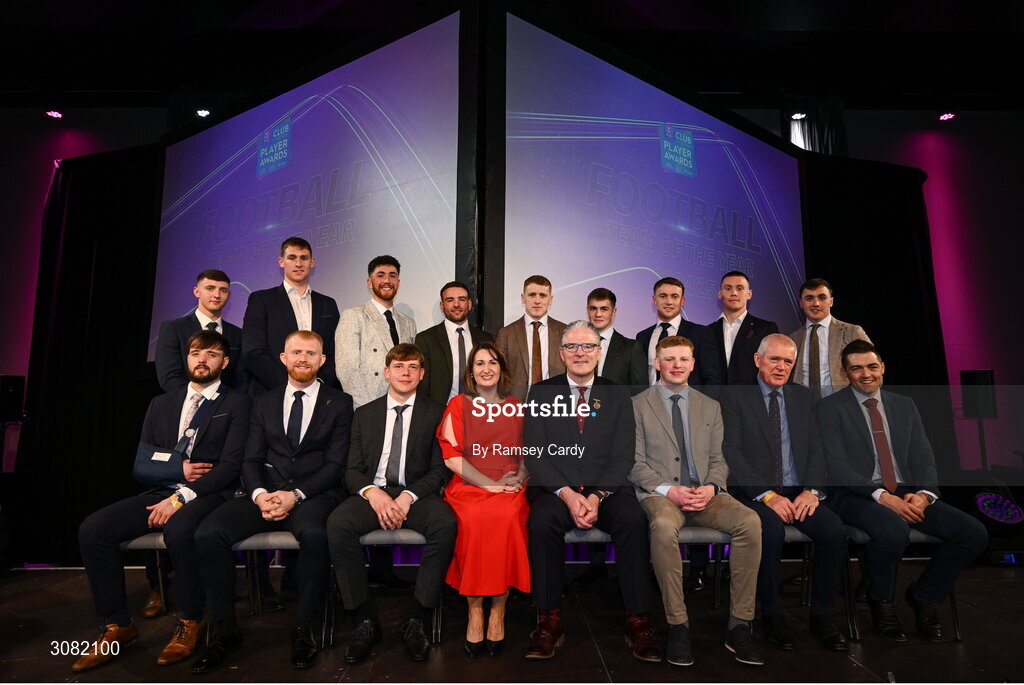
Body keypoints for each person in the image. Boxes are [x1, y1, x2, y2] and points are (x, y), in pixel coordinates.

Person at [72, 330, 250, 672]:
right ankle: (118, 624)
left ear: (224, 363)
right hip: (160, 491)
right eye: (197, 353)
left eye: (212, 354)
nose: (203, 359)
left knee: (180, 530)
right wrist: (177, 468)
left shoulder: (237, 403)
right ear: (186, 358)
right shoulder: (161, 403)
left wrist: (182, 494)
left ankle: (193, 619)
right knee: (93, 530)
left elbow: (231, 467)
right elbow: (141, 464)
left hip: (210, 493)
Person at [191, 331, 354, 673]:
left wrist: (295, 495)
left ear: (322, 361)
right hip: (265, 493)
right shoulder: (263, 401)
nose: (303, 359)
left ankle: (305, 627)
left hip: (312, 495)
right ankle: (224, 628)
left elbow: (335, 466)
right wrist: (260, 494)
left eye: (311, 353)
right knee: (208, 534)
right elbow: (250, 460)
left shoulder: (339, 402)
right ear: (283, 358)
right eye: (296, 352)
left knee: (315, 535)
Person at [819, 340, 988, 642]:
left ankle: (924, 595)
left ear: (882, 367)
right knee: (893, 530)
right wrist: (883, 497)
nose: (866, 374)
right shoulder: (830, 408)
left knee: (973, 533)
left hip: (908, 492)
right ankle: (882, 600)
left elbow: (923, 455)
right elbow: (836, 466)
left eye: (872, 366)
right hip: (854, 495)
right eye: (856, 368)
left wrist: (925, 494)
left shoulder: (904, 404)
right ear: (845, 373)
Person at [522, 321, 660, 663]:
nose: (580, 353)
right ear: (561, 353)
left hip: (607, 490)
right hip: (556, 490)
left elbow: (623, 454)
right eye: (572, 347)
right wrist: (569, 494)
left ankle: (637, 618)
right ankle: (548, 619)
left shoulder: (617, 393)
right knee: (541, 523)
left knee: (632, 519)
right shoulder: (541, 392)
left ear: (599, 352)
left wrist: (597, 496)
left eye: (587, 347)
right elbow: (535, 452)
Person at [630, 335, 763, 667]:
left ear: (693, 364)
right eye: (670, 359)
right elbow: (634, 463)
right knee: (662, 528)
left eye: (684, 359)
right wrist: (668, 490)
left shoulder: (711, 406)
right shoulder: (636, 404)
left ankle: (740, 625)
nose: (677, 365)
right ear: (657, 363)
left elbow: (719, 459)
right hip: (661, 495)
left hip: (706, 494)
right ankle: (678, 625)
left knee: (750, 522)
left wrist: (713, 487)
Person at [327, 343, 456, 664]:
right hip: (375, 493)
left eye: (413, 367)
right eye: (399, 367)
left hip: (417, 494)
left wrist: (407, 496)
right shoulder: (365, 413)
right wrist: (375, 494)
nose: (406, 373)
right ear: (387, 372)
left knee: (446, 523)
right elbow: (352, 470)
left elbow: (439, 469)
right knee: (338, 524)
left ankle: (417, 617)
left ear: (422, 374)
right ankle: (365, 619)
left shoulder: (437, 412)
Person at [721, 333, 848, 652]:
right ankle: (772, 613)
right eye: (774, 359)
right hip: (755, 493)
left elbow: (819, 449)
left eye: (787, 361)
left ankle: (821, 615)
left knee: (834, 531)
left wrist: (813, 492)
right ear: (757, 359)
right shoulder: (734, 396)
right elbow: (731, 452)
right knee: (771, 531)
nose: (781, 366)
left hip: (799, 491)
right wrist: (767, 495)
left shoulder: (805, 398)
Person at [436, 342, 530, 658]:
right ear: (470, 371)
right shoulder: (458, 405)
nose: (486, 368)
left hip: (508, 483)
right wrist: (489, 486)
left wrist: (519, 476)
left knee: (505, 518)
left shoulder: (517, 405)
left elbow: (529, 451)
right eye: (479, 363)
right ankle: (475, 611)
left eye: (492, 362)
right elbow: (451, 457)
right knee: (473, 521)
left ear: (502, 369)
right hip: (468, 483)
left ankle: (499, 609)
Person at [241, 237, 340, 394]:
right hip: (272, 393)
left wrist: (319, 384)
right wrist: (289, 386)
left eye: (304, 258)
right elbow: (252, 352)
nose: (298, 264)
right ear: (281, 262)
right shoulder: (261, 300)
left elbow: (335, 353)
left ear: (312, 262)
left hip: (319, 396)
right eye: (292, 258)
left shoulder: (328, 304)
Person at [335, 255, 417, 408]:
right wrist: (367, 410)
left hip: (402, 406)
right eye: (380, 275)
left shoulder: (409, 323)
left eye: (392, 276)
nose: (387, 281)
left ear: (398, 283)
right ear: (369, 282)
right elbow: (347, 370)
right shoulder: (354, 315)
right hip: (367, 406)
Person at [155, 268, 248, 393]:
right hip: (186, 404)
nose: (217, 295)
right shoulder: (173, 328)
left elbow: (242, 378)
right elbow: (169, 377)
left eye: (223, 290)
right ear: (197, 292)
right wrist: (198, 399)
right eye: (210, 288)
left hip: (226, 407)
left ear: (229, 295)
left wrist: (224, 403)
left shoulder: (238, 334)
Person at [789, 278, 872, 398]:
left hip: (843, 405)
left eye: (822, 297)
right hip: (803, 406)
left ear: (831, 301)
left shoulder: (852, 332)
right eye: (809, 298)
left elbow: (871, 370)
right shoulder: (792, 338)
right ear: (801, 303)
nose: (816, 303)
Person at [415, 280, 494, 406]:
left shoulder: (486, 338)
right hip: (440, 413)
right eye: (450, 300)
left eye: (462, 299)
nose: (456, 305)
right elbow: (422, 385)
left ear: (469, 304)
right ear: (442, 306)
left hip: (479, 410)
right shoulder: (426, 339)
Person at [636, 277, 720, 388]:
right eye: (663, 296)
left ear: (682, 301)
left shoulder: (701, 333)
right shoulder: (642, 336)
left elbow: (713, 379)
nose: (669, 301)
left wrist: (701, 405)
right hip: (649, 403)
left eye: (674, 297)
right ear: (654, 300)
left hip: (688, 403)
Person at [494, 275, 566, 397]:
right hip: (517, 407)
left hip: (556, 405)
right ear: (523, 298)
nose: (537, 301)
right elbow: (498, 374)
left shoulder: (564, 332)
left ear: (550, 299)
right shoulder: (506, 334)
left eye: (542, 295)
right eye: (532, 295)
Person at [708, 271, 778, 386]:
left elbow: (772, 367)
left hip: (752, 398)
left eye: (740, 288)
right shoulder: (707, 331)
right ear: (720, 293)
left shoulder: (766, 328)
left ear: (749, 294)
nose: (734, 293)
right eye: (728, 288)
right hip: (715, 399)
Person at [586, 287, 647, 392]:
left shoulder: (631, 347)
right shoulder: (576, 345)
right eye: (593, 308)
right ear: (587, 310)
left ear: (614, 312)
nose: (598, 314)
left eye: (604, 309)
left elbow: (640, 391)